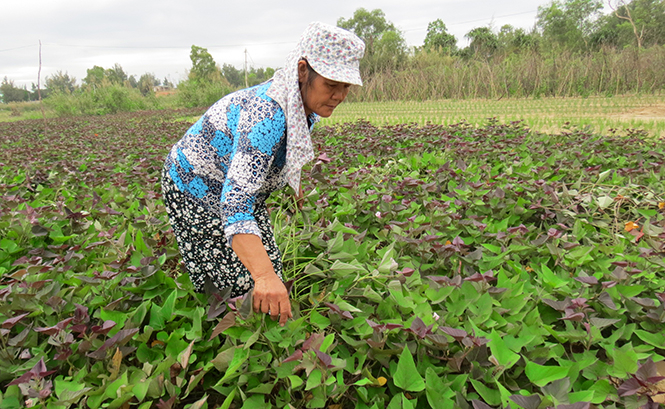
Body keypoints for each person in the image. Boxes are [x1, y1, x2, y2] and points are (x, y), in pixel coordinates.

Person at [161, 22, 365, 326]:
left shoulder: (303, 104)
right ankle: (216, 338)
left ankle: (264, 332)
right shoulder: (267, 113)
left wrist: (290, 186)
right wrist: (263, 275)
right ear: (302, 71)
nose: (339, 95)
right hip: (195, 186)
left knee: (271, 277)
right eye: (331, 85)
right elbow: (234, 205)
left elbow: (280, 153)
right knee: (237, 288)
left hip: (237, 188)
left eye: (345, 86)